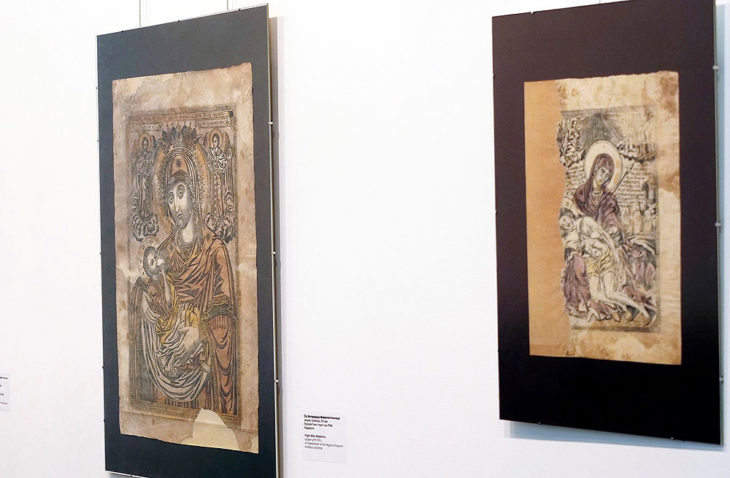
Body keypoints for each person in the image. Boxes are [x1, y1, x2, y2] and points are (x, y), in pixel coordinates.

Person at [153, 152, 238, 416]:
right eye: (170, 198)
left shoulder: (215, 251)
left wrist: (200, 335)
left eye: (181, 193)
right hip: (170, 371)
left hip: (204, 375)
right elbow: (157, 309)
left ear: (195, 194)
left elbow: (226, 317)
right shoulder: (163, 254)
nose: (176, 205)